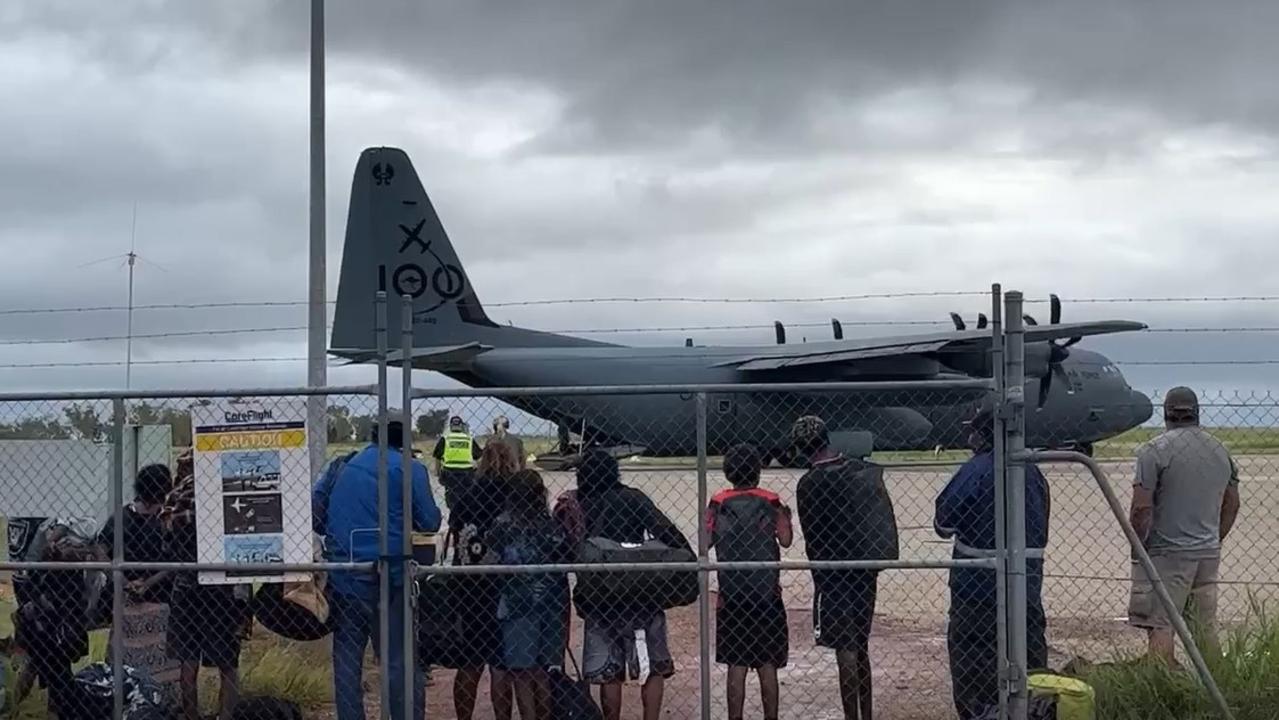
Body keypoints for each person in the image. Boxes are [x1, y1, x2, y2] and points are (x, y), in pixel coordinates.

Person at [319, 418, 442, 720]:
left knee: (347, 660)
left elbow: (315, 512)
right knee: (398, 659)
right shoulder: (411, 469)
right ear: (406, 442)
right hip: (392, 575)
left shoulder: (342, 465)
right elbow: (430, 521)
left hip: (346, 573)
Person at [934, 407, 1049, 720]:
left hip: (978, 592)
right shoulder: (1032, 470)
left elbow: (943, 522)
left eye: (975, 432)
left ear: (983, 436)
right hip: (1026, 587)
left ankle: (983, 713)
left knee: (975, 668)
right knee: (1030, 664)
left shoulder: (977, 469)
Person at [570, 449, 692, 720]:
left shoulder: (580, 504)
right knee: (652, 666)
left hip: (600, 594)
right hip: (640, 589)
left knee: (609, 671)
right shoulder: (633, 498)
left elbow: (568, 546)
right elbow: (668, 533)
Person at [792, 415, 899, 720]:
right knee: (860, 643)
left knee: (845, 647)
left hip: (833, 574)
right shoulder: (860, 471)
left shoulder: (809, 483)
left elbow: (812, 534)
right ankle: (865, 714)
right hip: (863, 569)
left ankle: (851, 714)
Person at [1128, 386, 1240, 663]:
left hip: (1167, 553)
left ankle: (1162, 687)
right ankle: (1220, 688)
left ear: (1166, 413)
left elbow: (1141, 508)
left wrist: (1138, 546)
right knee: (1205, 629)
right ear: (1197, 413)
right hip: (1207, 552)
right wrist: (1215, 536)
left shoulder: (1154, 450)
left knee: (1161, 624)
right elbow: (1232, 503)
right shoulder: (1220, 450)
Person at [705, 444, 792, 720]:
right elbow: (786, 540)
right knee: (767, 664)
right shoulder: (771, 500)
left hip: (732, 595)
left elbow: (705, 542)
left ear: (728, 472)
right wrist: (786, 517)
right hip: (766, 594)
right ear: (758, 470)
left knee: (737, 664)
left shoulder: (719, 501)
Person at [162, 451, 250, 720]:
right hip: (224, 582)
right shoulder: (229, 489)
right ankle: (226, 715)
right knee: (227, 661)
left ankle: (192, 715)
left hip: (187, 581)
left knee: (188, 660)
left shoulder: (176, 497)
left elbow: (166, 542)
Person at [486, 469, 572, 720]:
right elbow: (565, 555)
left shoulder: (502, 525)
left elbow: (490, 562)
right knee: (543, 671)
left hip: (517, 604)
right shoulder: (551, 525)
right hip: (551, 603)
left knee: (521, 672)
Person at [446, 442, 522, 720]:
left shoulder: (467, 496)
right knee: (501, 664)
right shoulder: (515, 497)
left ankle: (463, 717)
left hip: (470, 587)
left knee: (470, 661)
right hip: (505, 588)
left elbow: (457, 541)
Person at [97, 463, 181, 696]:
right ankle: (156, 700)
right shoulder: (163, 520)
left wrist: (127, 581)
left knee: (129, 656)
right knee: (156, 655)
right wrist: (139, 583)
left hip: (136, 599)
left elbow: (102, 550)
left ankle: (132, 697)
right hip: (152, 598)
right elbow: (173, 561)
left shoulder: (124, 516)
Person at [434, 415, 482, 508]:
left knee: (452, 498)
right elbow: (479, 458)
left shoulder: (446, 438)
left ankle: (454, 513)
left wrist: (438, 473)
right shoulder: (469, 439)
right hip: (467, 473)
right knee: (468, 498)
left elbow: (437, 457)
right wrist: (478, 474)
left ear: (451, 426)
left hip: (450, 472)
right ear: (461, 426)